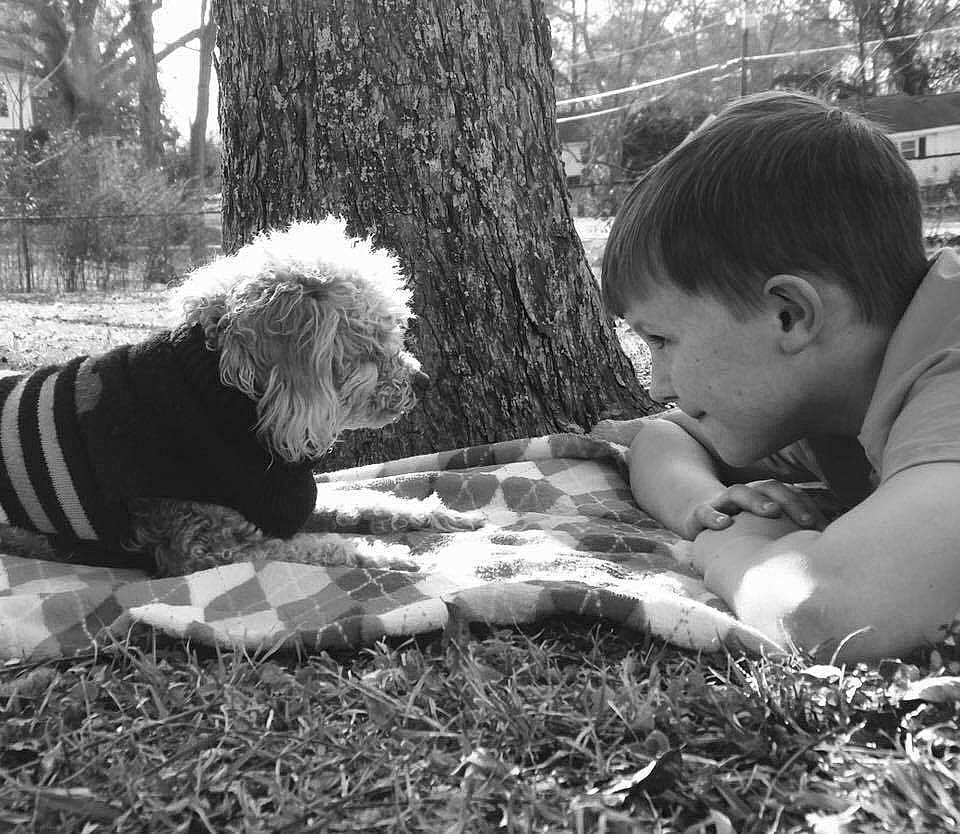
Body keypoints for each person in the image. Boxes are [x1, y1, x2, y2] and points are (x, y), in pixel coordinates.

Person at [594, 90, 960, 661]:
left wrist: (733, 545)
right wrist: (707, 505)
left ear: (790, 315)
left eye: (662, 340)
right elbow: (663, 436)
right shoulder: (833, 383)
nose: (658, 384)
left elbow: (828, 611)